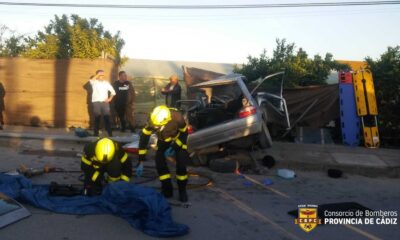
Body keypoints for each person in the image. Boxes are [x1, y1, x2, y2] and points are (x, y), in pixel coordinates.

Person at [138, 105, 189, 202]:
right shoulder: (153, 119)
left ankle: (182, 191)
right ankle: (167, 189)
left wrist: (174, 147)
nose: (156, 128)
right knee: (159, 161)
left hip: (178, 139)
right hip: (164, 139)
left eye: (158, 126)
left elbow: (184, 133)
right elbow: (144, 137)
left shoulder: (177, 117)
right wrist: (140, 160)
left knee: (181, 164)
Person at [90, 70, 116, 136]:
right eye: (100, 75)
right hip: (96, 102)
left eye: (103, 75)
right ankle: (96, 134)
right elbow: (91, 80)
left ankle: (110, 134)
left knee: (107, 118)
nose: (102, 76)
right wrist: (98, 74)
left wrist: (110, 99)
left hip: (105, 103)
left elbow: (113, 92)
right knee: (97, 118)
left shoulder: (106, 83)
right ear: (97, 75)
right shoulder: (94, 82)